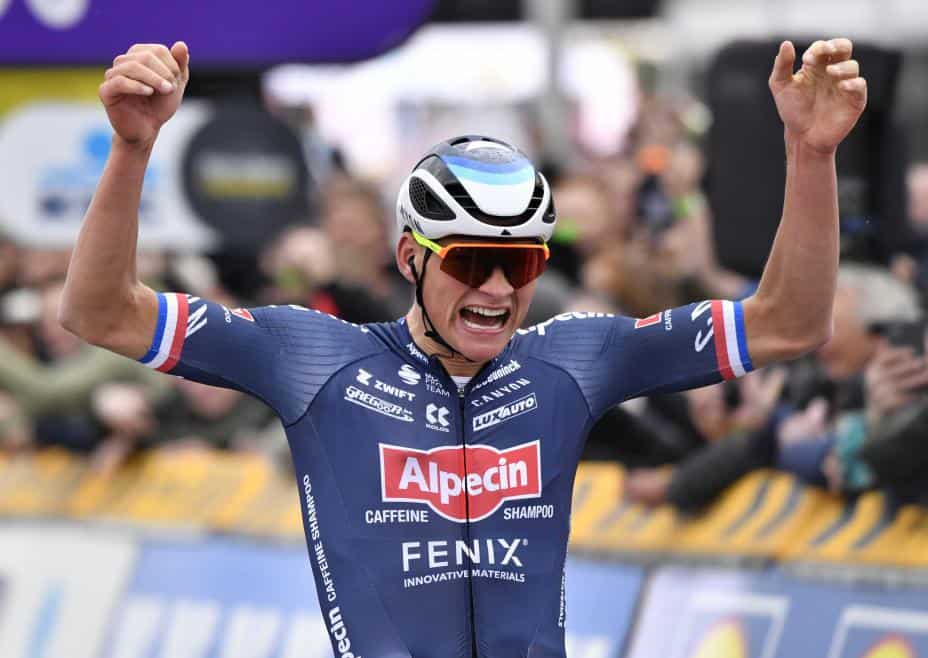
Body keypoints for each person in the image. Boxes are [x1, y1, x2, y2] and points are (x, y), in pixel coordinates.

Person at [59, 39, 866, 658]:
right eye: (473, 262)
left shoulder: (573, 358)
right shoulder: (314, 357)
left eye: (523, 264)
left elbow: (789, 322)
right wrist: (131, 152)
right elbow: (101, 313)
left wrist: (812, 156)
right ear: (410, 260)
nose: (498, 289)